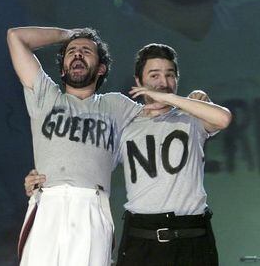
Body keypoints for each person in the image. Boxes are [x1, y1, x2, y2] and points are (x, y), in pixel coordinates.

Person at [24, 43, 232, 265]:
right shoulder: (126, 125)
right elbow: (87, 162)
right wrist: (41, 181)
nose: (163, 82)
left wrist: (174, 100)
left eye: (170, 75)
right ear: (139, 82)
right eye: (154, 75)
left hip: (191, 235)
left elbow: (223, 118)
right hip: (141, 236)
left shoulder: (190, 117)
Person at [7, 26, 142, 266]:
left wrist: (193, 97)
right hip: (47, 201)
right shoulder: (46, 96)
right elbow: (16, 37)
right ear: (62, 68)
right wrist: (69, 34)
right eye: (72, 51)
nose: (78, 54)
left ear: (101, 68)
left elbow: (160, 119)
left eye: (86, 51)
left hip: (91, 204)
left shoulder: (115, 106)